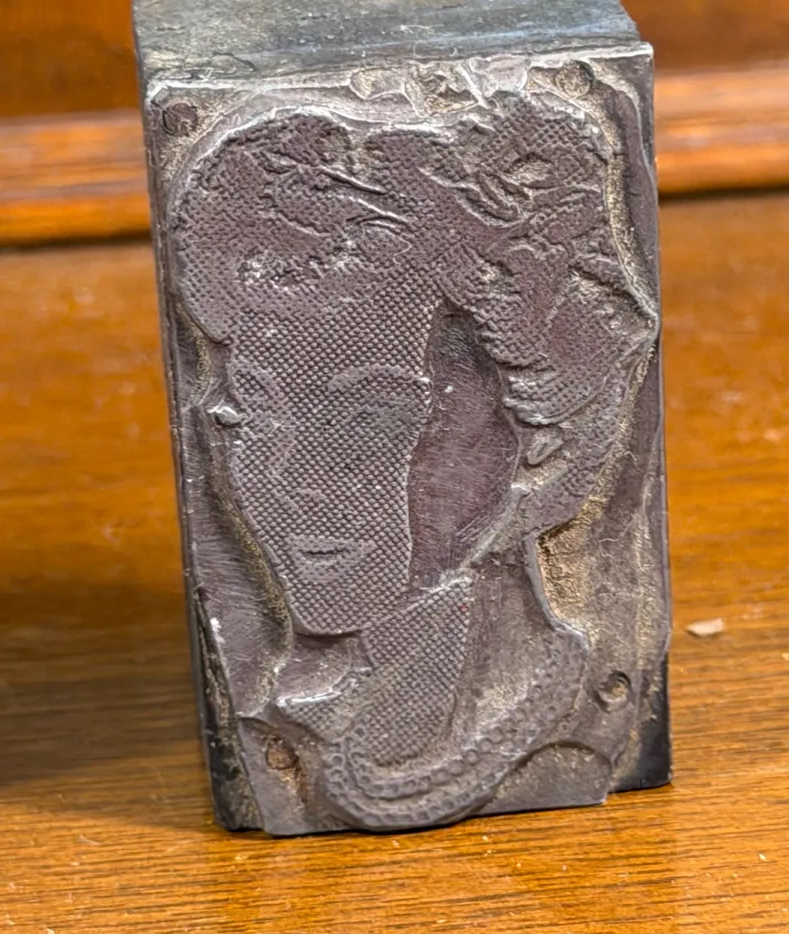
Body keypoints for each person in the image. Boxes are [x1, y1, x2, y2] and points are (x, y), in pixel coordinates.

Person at [171, 76, 658, 829]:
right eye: (259, 413)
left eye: (365, 420)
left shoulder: (510, 707)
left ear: (538, 439)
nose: (292, 479)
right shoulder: (307, 695)